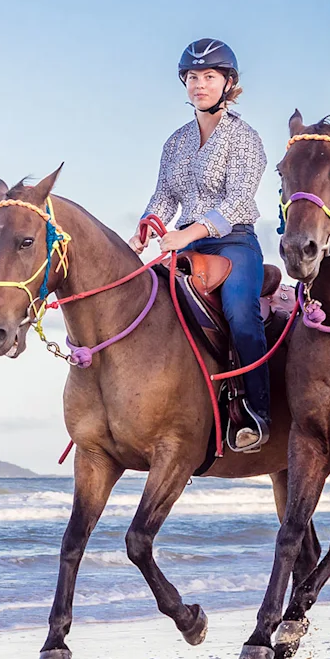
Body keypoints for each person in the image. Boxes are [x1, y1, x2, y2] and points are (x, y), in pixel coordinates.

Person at [132, 38, 271, 452]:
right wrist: (142, 230)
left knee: (240, 312)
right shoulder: (175, 142)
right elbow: (164, 197)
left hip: (233, 241)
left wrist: (187, 235)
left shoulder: (244, 137)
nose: (199, 85)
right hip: (183, 244)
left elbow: (239, 200)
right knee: (146, 305)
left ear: (228, 83)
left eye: (209, 76)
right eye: (192, 77)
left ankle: (258, 413)